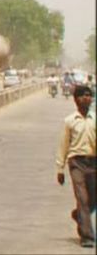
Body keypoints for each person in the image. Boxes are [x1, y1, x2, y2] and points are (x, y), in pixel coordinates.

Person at [56, 84, 96, 248]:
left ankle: (79, 215)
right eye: (82, 95)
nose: (86, 98)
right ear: (76, 100)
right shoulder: (69, 121)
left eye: (89, 95)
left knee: (93, 199)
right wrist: (60, 168)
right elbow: (63, 145)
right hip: (76, 163)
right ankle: (87, 236)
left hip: (93, 162)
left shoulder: (95, 119)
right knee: (83, 199)